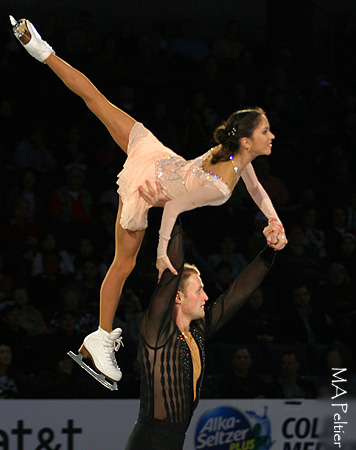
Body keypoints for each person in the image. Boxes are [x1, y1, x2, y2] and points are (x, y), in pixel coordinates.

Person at [10, 16, 287, 387]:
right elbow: (172, 207)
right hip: (145, 185)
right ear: (248, 141)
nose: (273, 135)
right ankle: (101, 335)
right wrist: (159, 254)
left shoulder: (235, 157)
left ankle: (39, 48)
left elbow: (255, 189)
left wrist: (274, 219)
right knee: (123, 265)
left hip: (155, 153)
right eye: (266, 130)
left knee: (96, 100)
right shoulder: (221, 184)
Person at [124, 184, 281, 450]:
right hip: (151, 441)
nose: (206, 297)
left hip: (174, 441)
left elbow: (237, 293)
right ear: (177, 297)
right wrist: (171, 210)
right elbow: (173, 268)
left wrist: (269, 252)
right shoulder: (157, 332)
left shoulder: (196, 332)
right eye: (199, 290)